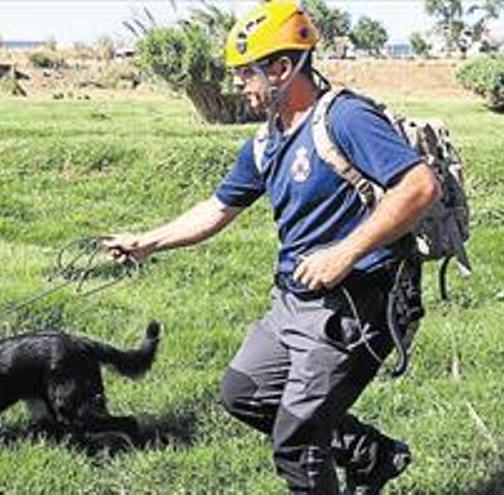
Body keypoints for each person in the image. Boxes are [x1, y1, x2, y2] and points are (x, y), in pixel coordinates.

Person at [103, 1, 440, 493]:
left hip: (355, 305)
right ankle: (372, 456)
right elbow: (217, 209)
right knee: (244, 393)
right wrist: (144, 242)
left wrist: (344, 252)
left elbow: (418, 186)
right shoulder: (267, 142)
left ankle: (338, 456)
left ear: (282, 68)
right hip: (294, 301)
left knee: (297, 442)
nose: (241, 86)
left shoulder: (345, 118)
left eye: (247, 75)